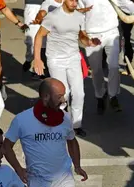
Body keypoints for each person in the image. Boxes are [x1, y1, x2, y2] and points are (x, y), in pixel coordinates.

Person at [33, 0, 100, 137]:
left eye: (76, 1)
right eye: (71, 0)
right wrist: (37, 59)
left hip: (73, 58)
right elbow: (39, 36)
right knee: (63, 94)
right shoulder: (53, 16)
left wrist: (90, 42)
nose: (74, 3)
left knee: (79, 93)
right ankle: (60, 123)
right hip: (55, 60)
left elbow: (81, 36)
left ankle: (76, 125)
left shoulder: (80, 17)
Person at [78, 0, 134, 114]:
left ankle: (113, 95)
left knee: (114, 66)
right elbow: (79, 14)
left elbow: (124, 3)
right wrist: (83, 34)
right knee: (96, 69)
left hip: (112, 32)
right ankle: (99, 95)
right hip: (91, 34)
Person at [22, 0, 45, 78]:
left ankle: (38, 70)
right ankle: (29, 58)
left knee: (45, 40)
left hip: (51, 3)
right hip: (33, 5)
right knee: (31, 39)